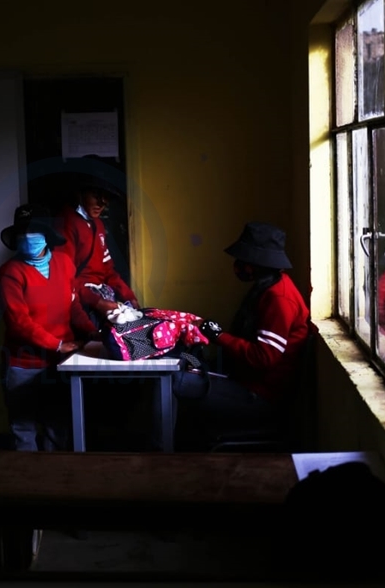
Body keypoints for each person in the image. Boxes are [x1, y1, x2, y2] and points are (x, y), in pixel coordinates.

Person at [163, 221, 313, 451]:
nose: (239, 266)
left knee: (174, 382)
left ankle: (162, 455)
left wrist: (218, 335)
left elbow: (265, 357)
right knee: (185, 363)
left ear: (259, 262)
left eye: (245, 260)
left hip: (260, 398)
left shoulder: (279, 298)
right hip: (244, 380)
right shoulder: (268, 287)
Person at [0, 203, 98, 452]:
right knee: (23, 430)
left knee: (58, 426)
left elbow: (73, 307)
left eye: (34, 232)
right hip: (23, 365)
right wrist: (58, 344)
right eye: (22, 233)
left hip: (61, 363)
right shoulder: (10, 273)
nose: (28, 238)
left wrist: (91, 331)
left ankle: (54, 484)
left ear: (47, 235)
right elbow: (18, 322)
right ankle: (28, 486)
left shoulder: (64, 263)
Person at [54, 168, 140, 323]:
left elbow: (108, 270)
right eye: (96, 196)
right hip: (81, 301)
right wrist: (98, 303)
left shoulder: (98, 224)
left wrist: (129, 297)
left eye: (105, 198)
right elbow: (65, 278)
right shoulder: (66, 223)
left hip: (102, 295)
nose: (101, 203)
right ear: (80, 194)